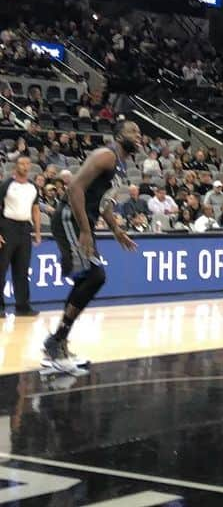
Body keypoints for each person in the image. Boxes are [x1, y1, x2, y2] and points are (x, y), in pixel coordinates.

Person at [43, 121, 141, 374]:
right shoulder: (106, 155)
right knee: (95, 275)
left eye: (140, 133)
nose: (138, 136)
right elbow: (75, 187)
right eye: (133, 131)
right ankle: (56, 342)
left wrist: (116, 229)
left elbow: (103, 202)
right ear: (119, 135)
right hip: (70, 218)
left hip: (83, 221)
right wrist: (86, 230)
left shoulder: (120, 164)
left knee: (88, 278)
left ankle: (57, 343)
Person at [0, 156, 42, 316]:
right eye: (21, 164)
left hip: (25, 229)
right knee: (1, 269)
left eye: (27, 164)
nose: (24, 166)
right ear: (15, 166)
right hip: (7, 227)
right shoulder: (6, 185)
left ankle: (22, 306)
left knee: (22, 270)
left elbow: (36, 210)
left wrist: (37, 233)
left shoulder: (33, 187)